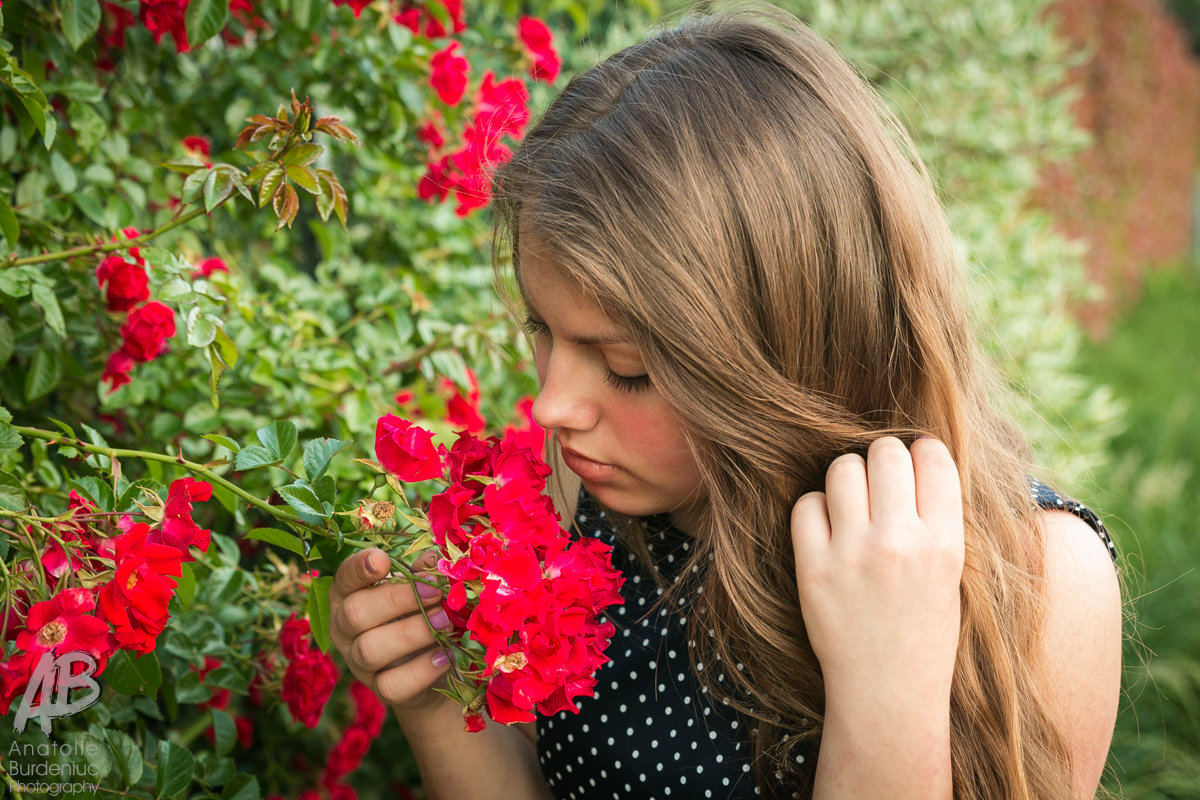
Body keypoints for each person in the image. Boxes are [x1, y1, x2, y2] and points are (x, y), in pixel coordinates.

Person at [328, 8, 1123, 799]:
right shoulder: (589, 490)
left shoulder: (1037, 580)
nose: (551, 407)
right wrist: (437, 695)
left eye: (626, 367)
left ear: (783, 357)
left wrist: (889, 689)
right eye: (543, 328)